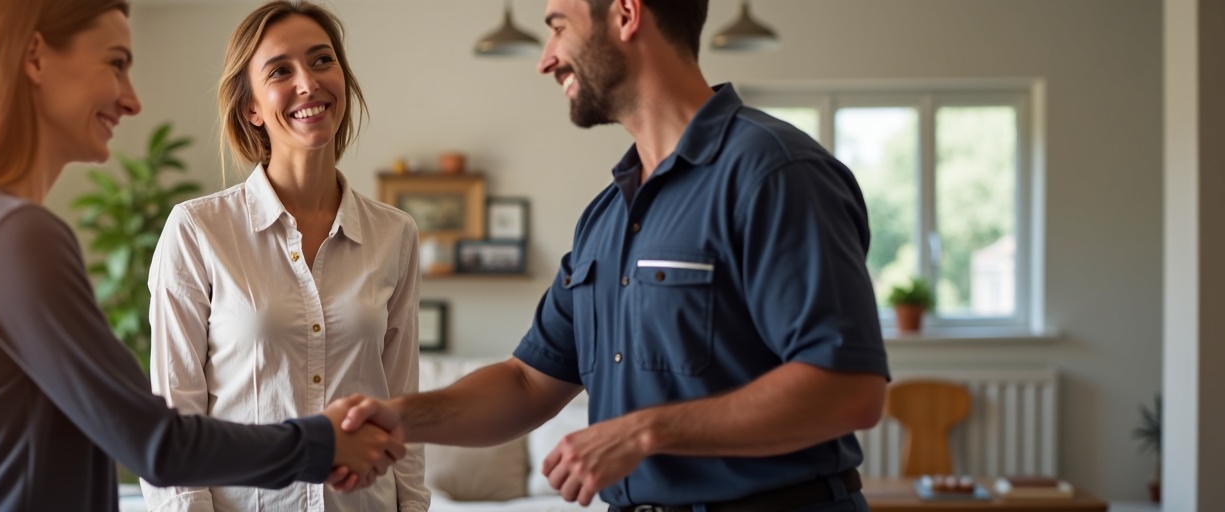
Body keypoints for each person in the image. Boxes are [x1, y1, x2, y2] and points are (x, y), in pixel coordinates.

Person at [341, 0, 892, 511]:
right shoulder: (606, 217)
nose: (546, 60)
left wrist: (644, 431)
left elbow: (849, 389)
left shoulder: (774, 172)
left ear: (627, 14)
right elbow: (527, 383)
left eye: (559, 26)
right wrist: (401, 417)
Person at [0, 1, 405, 509]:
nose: (132, 100)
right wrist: (321, 443)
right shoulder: (14, 238)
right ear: (35, 57)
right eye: (116, 64)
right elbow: (157, 442)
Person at [142, 2, 429, 511]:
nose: (308, 83)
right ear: (251, 106)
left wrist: (413, 505)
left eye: (322, 61)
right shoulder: (197, 231)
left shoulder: (395, 234)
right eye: (280, 70)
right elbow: (172, 416)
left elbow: (401, 404)